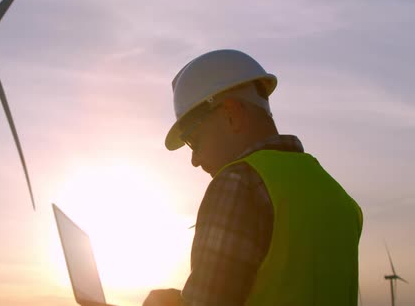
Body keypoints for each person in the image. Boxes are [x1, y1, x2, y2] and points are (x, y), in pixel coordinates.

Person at [143, 50, 363, 306]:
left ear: (231, 113)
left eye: (194, 141)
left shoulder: (239, 182)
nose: (195, 160)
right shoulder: (339, 197)